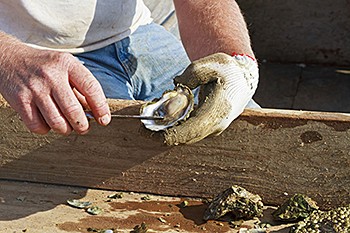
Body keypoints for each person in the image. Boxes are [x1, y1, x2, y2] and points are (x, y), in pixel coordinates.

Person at [0, 0, 259, 145]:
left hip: (138, 32)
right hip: (30, 59)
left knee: (248, 133)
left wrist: (238, 64)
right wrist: (9, 60)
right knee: (107, 164)